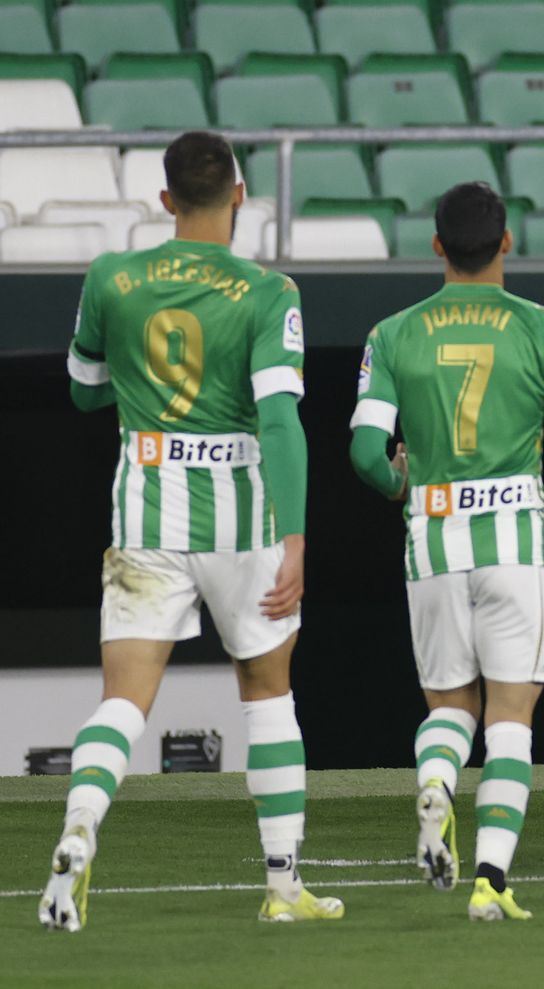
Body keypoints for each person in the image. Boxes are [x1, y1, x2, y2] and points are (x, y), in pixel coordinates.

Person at [44, 130, 340, 929]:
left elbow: (80, 392)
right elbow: (281, 421)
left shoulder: (112, 276)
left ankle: (78, 831)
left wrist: (141, 389)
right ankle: (283, 888)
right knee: (267, 693)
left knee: (124, 701)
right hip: (243, 515)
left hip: (145, 508)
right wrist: (299, 539)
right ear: (240, 195)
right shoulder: (269, 291)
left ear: (166, 200)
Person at [348, 182, 544, 920]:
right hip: (515, 541)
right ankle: (491, 879)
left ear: (436, 246)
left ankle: (437, 778)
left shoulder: (392, 333)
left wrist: (402, 479)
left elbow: (367, 454)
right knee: (510, 716)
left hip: (431, 540)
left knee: (448, 705)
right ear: (505, 243)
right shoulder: (543, 326)